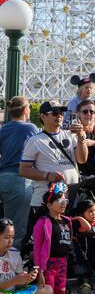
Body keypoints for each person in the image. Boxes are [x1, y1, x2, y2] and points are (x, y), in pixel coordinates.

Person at [20, 100, 86, 234]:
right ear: (43, 116)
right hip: (45, 202)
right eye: (55, 113)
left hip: (69, 199)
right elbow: (23, 169)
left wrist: (81, 138)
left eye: (61, 112)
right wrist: (48, 175)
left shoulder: (70, 135)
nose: (59, 116)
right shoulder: (35, 141)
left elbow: (82, 159)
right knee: (42, 241)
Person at [0, 97, 38, 249]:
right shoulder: (30, 128)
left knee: (5, 226)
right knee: (15, 231)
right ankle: (9, 267)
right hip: (20, 180)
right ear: (24, 110)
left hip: (4, 178)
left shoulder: (4, 129)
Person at [0, 218, 52, 294]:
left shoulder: (14, 253)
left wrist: (27, 279)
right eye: (6, 237)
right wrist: (14, 281)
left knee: (47, 289)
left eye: (12, 237)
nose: (10, 241)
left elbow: (19, 286)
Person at [32, 183, 73, 294]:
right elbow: (37, 248)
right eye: (59, 200)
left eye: (65, 200)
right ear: (49, 205)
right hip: (48, 264)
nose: (63, 203)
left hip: (63, 263)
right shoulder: (43, 222)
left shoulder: (67, 221)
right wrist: (40, 271)